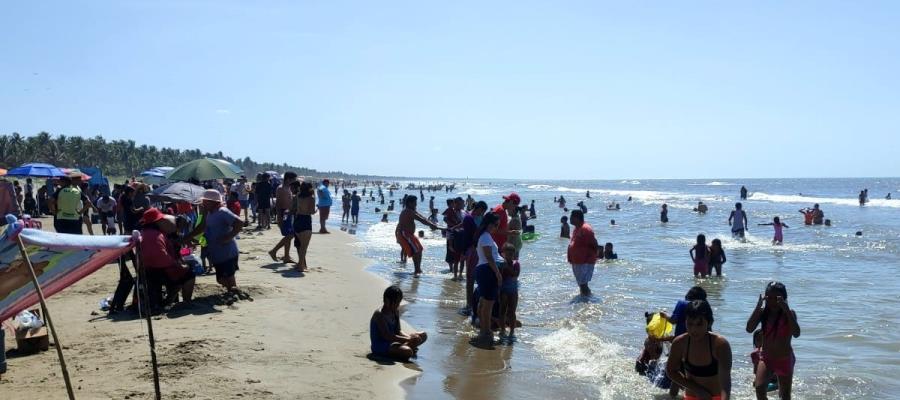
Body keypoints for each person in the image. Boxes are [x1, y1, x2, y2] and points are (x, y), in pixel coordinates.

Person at [666, 300, 733, 400]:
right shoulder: (680, 343)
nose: (694, 329)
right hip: (691, 396)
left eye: (699, 324)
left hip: (716, 397)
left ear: (709, 322)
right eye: (690, 324)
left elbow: (725, 383)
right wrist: (698, 390)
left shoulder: (720, 344)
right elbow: (671, 371)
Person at [187, 190, 247, 301]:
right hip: (217, 253)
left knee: (228, 276)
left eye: (205, 202)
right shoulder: (209, 213)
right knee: (221, 279)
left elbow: (239, 223)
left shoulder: (222, 211)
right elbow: (201, 228)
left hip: (227, 251)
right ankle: (233, 291)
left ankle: (234, 292)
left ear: (213, 202)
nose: (203, 204)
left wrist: (228, 237)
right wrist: (190, 239)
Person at [746, 282, 800, 400]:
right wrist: (757, 307)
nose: (771, 301)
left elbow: (796, 333)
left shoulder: (789, 314)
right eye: (768, 298)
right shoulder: (763, 313)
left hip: (784, 359)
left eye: (776, 298)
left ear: (783, 298)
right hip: (766, 358)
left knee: (785, 395)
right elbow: (749, 329)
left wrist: (786, 309)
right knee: (759, 388)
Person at [139, 208, 195, 311]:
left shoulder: (146, 232)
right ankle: (186, 302)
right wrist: (178, 264)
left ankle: (168, 301)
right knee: (189, 274)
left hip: (149, 268)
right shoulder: (156, 235)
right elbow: (161, 257)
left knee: (180, 276)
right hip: (159, 269)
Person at [370, 285, 427, 361]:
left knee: (423, 335)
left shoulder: (395, 311)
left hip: (393, 342)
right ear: (387, 300)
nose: (397, 305)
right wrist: (408, 340)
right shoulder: (379, 315)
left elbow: (398, 330)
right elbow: (387, 336)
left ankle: (406, 347)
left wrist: (410, 338)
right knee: (408, 352)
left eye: (399, 302)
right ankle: (408, 348)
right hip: (381, 346)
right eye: (395, 302)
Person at [473, 212, 504, 348]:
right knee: (488, 305)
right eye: (496, 225)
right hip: (487, 270)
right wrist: (497, 273)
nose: (497, 228)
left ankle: (485, 330)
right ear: (490, 224)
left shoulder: (484, 236)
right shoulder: (485, 237)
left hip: (484, 270)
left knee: (483, 303)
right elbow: (489, 257)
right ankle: (485, 331)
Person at [396, 195, 443, 276]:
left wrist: (432, 224)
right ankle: (416, 270)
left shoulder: (412, 210)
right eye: (414, 203)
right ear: (410, 203)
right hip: (404, 233)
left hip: (409, 234)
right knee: (416, 251)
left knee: (420, 249)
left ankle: (418, 269)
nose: (416, 204)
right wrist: (431, 225)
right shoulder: (408, 211)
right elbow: (421, 220)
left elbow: (423, 217)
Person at [459, 201, 488, 316]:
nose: (483, 213)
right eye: (483, 211)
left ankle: (474, 304)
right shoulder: (469, 218)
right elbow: (468, 236)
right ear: (479, 208)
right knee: (470, 279)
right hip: (472, 250)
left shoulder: (476, 218)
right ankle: (469, 305)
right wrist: (464, 251)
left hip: (478, 250)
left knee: (477, 278)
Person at [568, 209, 599, 296]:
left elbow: (594, 243)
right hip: (578, 261)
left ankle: (587, 301)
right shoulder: (577, 228)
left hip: (584, 261)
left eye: (571, 217)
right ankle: (585, 299)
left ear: (577, 218)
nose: (570, 219)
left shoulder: (585, 229)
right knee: (581, 284)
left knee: (583, 284)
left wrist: (591, 258)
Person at [269, 172, 298, 263]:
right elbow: (277, 204)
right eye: (294, 179)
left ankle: (286, 256)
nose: (295, 181)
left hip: (289, 213)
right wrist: (279, 217)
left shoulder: (289, 188)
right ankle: (274, 251)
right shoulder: (281, 188)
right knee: (291, 234)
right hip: (283, 213)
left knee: (288, 235)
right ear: (288, 179)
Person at [291, 181, 316, 272]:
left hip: (298, 220)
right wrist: (316, 209)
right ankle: (301, 266)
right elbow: (311, 211)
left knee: (301, 246)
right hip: (306, 220)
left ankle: (300, 264)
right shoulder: (311, 198)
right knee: (304, 247)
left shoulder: (298, 196)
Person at [498, 242, 520, 342]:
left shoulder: (516, 264)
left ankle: (512, 331)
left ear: (514, 255)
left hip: (513, 291)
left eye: (511, 254)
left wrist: (507, 267)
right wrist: (503, 267)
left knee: (512, 312)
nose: (509, 256)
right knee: (502, 311)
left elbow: (515, 275)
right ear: (502, 254)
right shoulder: (501, 264)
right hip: (503, 290)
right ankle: (502, 330)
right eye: (507, 254)